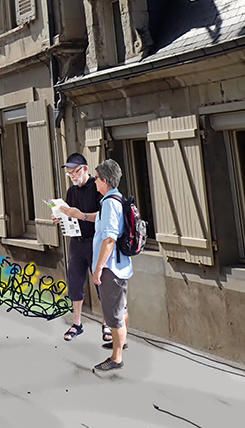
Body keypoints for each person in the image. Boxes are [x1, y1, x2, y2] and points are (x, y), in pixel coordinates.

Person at [90, 159, 131, 372]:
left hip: (111, 268)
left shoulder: (108, 203)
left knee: (114, 316)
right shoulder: (117, 198)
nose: (94, 181)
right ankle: (121, 343)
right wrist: (78, 214)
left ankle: (116, 358)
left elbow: (109, 239)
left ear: (105, 180)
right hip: (120, 265)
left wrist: (98, 269)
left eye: (96, 178)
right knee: (121, 308)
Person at [54, 153, 100, 342]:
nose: (72, 176)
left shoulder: (98, 187)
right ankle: (77, 323)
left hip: (96, 242)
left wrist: (81, 215)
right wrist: (60, 217)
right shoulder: (71, 191)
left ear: (85, 169)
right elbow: (70, 215)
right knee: (74, 284)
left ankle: (107, 324)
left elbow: (105, 216)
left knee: (101, 284)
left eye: (75, 172)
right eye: (69, 173)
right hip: (76, 243)